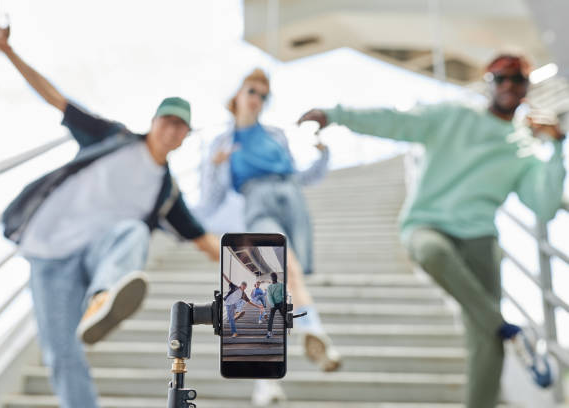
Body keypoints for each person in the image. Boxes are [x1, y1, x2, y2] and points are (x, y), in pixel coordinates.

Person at [299, 54, 566, 408]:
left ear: (526, 88)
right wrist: (335, 115)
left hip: (480, 240)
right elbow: (395, 122)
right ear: (489, 83)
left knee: (486, 343)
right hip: (428, 225)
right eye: (500, 78)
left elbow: (544, 205)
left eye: (517, 80)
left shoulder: (524, 148)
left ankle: (496, 342)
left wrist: (557, 146)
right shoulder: (454, 115)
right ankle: (507, 326)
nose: (508, 86)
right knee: (432, 253)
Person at [0, 20, 219, 408]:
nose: (172, 131)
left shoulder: (167, 192)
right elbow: (56, 99)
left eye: (181, 127)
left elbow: (203, 240)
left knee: (133, 231)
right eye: (168, 121)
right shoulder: (111, 137)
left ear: (185, 137)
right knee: (61, 355)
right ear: (153, 122)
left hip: (99, 257)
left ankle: (103, 297)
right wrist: (9, 53)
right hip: (48, 255)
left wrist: (254, 269)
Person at [197, 68, 341, 372]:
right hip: (257, 203)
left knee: (289, 272)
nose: (257, 99)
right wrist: (213, 165)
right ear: (236, 95)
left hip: (291, 201)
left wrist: (324, 157)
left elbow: (299, 176)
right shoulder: (222, 144)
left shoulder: (275, 135)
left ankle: (304, 337)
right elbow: (211, 198)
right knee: (282, 264)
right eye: (251, 91)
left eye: (263, 95)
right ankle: (309, 328)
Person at [266, 273, 285, 338]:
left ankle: (288, 329)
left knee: (285, 315)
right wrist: (272, 305)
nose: (273, 278)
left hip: (280, 303)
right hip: (273, 304)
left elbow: (283, 294)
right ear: (271, 278)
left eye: (274, 277)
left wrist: (283, 302)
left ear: (276, 277)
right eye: (272, 277)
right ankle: (269, 332)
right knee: (271, 318)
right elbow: (269, 296)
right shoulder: (269, 287)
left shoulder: (281, 285)